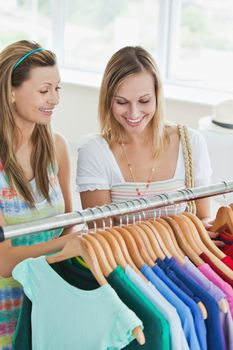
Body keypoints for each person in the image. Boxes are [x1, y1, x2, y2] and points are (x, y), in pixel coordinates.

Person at [76, 46, 212, 225]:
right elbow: (101, 234)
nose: (133, 113)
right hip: (121, 255)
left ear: (157, 95)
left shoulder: (191, 142)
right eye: (122, 102)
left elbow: (203, 219)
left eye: (144, 101)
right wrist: (177, 232)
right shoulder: (95, 152)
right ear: (108, 100)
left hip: (183, 254)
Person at [0, 40, 76, 348]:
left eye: (58, 89)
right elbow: (4, 263)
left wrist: (72, 242)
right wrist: (69, 245)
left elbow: (71, 220)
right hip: (7, 311)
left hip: (49, 301)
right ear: (11, 91)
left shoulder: (57, 147)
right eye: (44, 91)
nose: (55, 99)